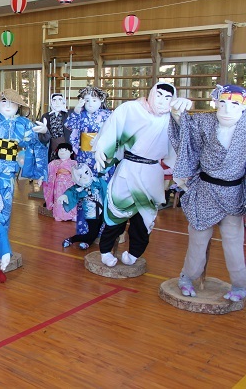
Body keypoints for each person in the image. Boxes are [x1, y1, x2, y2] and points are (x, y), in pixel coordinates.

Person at [92, 82, 192, 267]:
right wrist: (102, 149)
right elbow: (112, 127)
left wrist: (180, 114)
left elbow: (185, 137)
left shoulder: (171, 118)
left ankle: (135, 252)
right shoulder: (132, 108)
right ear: (152, 93)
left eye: (168, 97)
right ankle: (105, 250)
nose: (162, 100)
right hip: (128, 168)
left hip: (152, 173)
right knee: (116, 212)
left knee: (144, 218)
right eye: (159, 94)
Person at [169, 84, 246, 302]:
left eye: (234, 104)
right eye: (222, 103)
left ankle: (240, 285)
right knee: (197, 240)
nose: (227, 110)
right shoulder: (206, 120)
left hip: (234, 193)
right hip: (205, 190)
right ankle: (187, 277)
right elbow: (185, 129)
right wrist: (176, 111)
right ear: (215, 103)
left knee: (233, 242)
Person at [0, 89, 47, 227]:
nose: (8, 106)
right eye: (4, 101)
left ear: (19, 106)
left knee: (4, 208)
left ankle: (0, 242)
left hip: (8, 172)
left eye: (13, 103)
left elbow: (35, 143)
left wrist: (44, 134)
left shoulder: (24, 124)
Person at [65, 86, 113, 178]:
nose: (90, 104)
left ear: (101, 100)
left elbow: (113, 133)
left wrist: (99, 139)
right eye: (87, 101)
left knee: (101, 177)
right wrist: (76, 111)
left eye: (94, 100)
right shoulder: (80, 114)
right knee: (83, 177)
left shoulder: (107, 115)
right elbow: (69, 125)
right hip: (83, 153)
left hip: (101, 152)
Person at [58, 163, 107, 250]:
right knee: (92, 232)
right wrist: (65, 196)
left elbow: (106, 189)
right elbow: (71, 192)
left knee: (96, 231)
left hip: (101, 211)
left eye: (86, 173)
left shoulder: (97, 182)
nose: (84, 177)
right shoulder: (78, 188)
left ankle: (88, 243)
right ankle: (72, 239)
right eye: (80, 176)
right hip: (91, 213)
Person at [43, 143, 78, 222]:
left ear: (71, 152)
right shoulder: (54, 163)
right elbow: (47, 171)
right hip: (58, 184)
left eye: (65, 150)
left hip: (70, 183)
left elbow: (78, 174)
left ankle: (73, 214)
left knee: (70, 198)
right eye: (60, 150)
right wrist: (42, 178)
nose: (62, 152)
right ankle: (59, 215)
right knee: (58, 198)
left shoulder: (74, 163)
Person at [38, 93, 73, 162]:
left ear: (63, 101)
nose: (57, 103)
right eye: (54, 100)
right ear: (51, 102)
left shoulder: (69, 115)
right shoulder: (46, 116)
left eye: (60, 100)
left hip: (67, 147)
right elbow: (42, 138)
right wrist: (44, 132)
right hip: (52, 147)